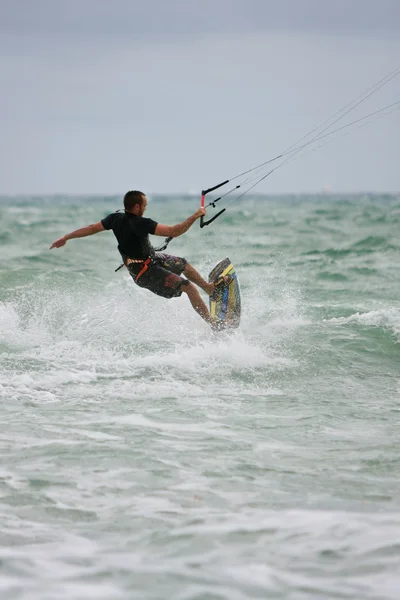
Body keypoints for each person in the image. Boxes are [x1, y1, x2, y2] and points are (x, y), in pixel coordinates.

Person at [50, 190, 230, 325]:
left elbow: (91, 228)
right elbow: (175, 231)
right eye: (144, 205)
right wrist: (196, 215)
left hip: (150, 259)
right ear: (136, 207)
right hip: (145, 273)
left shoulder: (114, 219)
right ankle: (213, 325)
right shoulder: (141, 223)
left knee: (184, 264)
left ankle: (208, 288)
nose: (145, 208)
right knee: (188, 287)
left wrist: (66, 237)